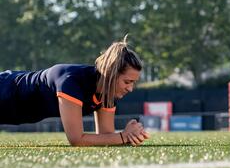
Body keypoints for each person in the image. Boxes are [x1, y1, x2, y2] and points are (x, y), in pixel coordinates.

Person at [0, 37, 149, 146]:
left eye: (133, 83)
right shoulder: (71, 81)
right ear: (110, 74)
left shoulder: (109, 92)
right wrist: (123, 136)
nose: (130, 89)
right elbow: (77, 140)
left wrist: (129, 136)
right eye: (127, 82)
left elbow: (105, 137)